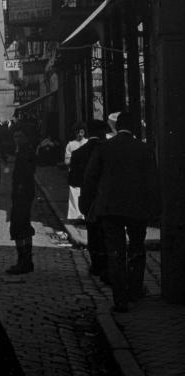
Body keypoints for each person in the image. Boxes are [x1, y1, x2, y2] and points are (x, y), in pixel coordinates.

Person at [82, 112, 157, 312]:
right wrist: (153, 207)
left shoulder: (104, 147)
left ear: (116, 127)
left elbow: (90, 178)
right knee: (136, 249)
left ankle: (119, 299)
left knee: (115, 252)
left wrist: (87, 204)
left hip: (109, 208)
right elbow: (152, 182)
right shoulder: (144, 149)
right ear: (135, 128)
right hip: (136, 207)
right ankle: (134, 290)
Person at [70, 119, 109, 281]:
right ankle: (107, 265)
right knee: (107, 231)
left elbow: (73, 180)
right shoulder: (108, 149)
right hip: (107, 197)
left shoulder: (79, 153)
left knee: (93, 232)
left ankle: (96, 265)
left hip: (89, 198)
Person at [6, 124, 37, 275]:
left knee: (19, 225)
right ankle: (26, 261)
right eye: (15, 136)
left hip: (22, 193)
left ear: (25, 137)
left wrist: (19, 190)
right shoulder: (23, 151)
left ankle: (23, 261)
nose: (17, 139)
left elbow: (25, 174)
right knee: (22, 225)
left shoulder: (25, 152)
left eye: (19, 136)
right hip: (24, 193)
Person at [65, 123, 88, 220]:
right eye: (78, 132)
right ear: (75, 133)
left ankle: (84, 215)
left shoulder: (87, 142)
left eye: (82, 132)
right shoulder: (71, 144)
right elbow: (66, 161)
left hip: (86, 171)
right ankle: (76, 216)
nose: (80, 134)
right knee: (75, 193)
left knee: (86, 193)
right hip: (75, 171)